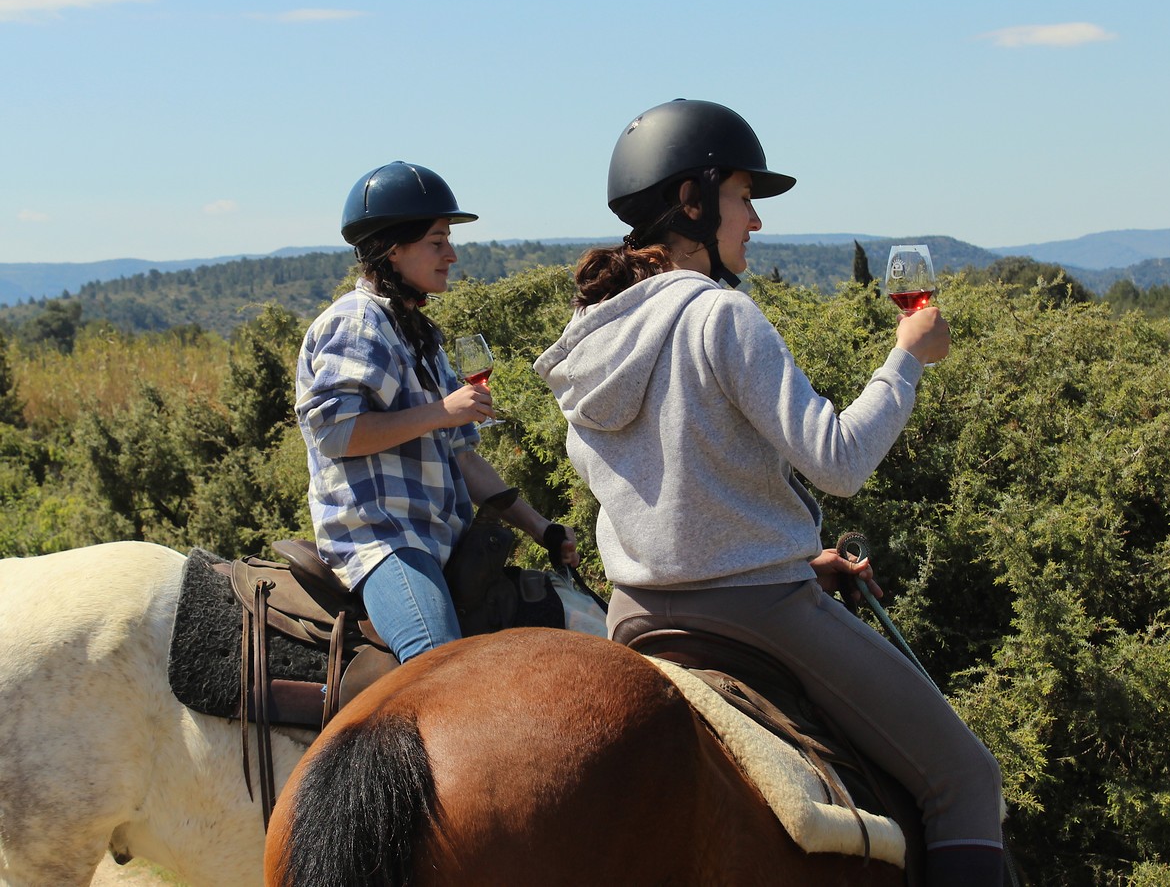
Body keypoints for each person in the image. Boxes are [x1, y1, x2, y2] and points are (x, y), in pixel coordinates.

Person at [534, 100, 1004, 886]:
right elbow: (838, 462)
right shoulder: (723, 313)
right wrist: (909, 359)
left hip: (635, 614)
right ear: (693, 199)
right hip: (760, 611)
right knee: (967, 779)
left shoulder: (590, 335)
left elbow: (635, 485)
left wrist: (768, 542)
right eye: (743, 198)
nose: (753, 221)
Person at [296, 160, 578, 663]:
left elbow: (464, 460)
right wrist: (441, 411)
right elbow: (336, 434)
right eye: (436, 241)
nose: (452, 253)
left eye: (448, 238)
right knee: (442, 666)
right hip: (385, 542)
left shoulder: (420, 335)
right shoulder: (357, 324)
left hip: (440, 540)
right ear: (392, 250)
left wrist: (543, 529)